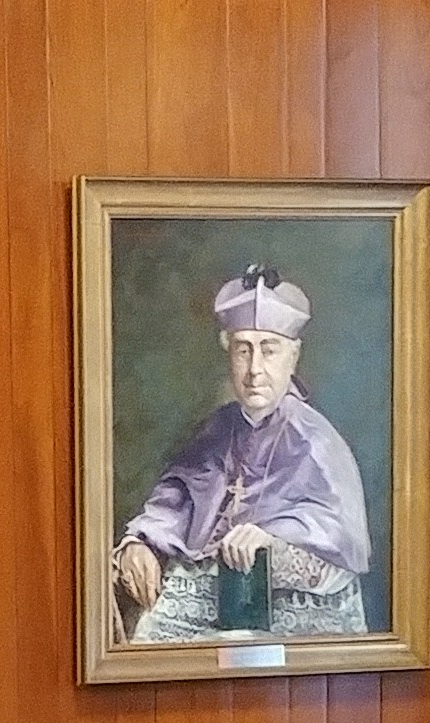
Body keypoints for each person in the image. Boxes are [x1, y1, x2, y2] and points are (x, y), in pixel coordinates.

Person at [110, 266, 373, 642]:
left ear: (293, 356)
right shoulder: (217, 428)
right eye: (243, 350)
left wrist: (272, 538)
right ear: (228, 352)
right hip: (204, 602)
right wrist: (140, 542)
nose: (254, 370)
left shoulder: (318, 442)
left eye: (269, 350)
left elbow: (338, 537)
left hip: (285, 615)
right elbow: (175, 501)